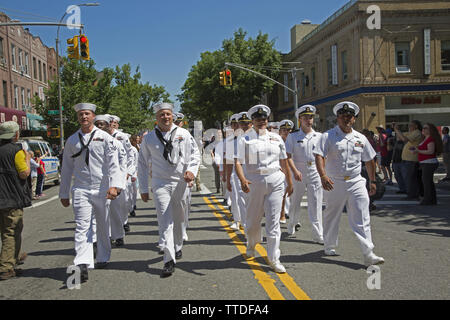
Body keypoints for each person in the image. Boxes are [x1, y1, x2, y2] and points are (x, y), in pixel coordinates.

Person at [314, 101, 384, 267]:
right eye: (343, 116)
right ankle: (329, 244)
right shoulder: (328, 136)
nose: (346, 119)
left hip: (356, 181)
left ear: (354, 119)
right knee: (332, 214)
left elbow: (369, 160)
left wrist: (373, 181)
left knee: (362, 216)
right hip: (334, 181)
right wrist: (323, 175)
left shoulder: (360, 138)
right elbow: (319, 156)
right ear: (338, 118)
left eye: (350, 116)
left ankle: (368, 252)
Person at [59, 103, 123, 282]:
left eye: (86, 114)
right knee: (82, 226)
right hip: (81, 189)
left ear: (93, 116)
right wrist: (64, 193)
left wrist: (115, 186)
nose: (83, 117)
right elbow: (66, 168)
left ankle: (103, 255)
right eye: (80, 115)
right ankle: (82, 263)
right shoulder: (72, 140)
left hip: (102, 189)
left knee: (102, 224)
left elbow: (113, 164)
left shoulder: (105, 138)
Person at [138, 102, 200, 277]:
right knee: (165, 220)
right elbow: (142, 163)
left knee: (179, 219)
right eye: (161, 115)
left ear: (172, 115)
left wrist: (191, 171)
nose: (165, 117)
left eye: (167, 114)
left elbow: (194, 155)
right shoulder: (149, 138)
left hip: (180, 182)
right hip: (160, 183)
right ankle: (168, 259)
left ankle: (177, 245)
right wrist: (143, 188)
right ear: (156, 118)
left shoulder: (183, 134)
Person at [234, 104, 293, 274]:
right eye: (258, 119)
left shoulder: (276, 138)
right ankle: (252, 243)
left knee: (274, 222)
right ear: (252, 121)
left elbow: (284, 161)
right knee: (252, 221)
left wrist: (289, 182)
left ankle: (274, 258)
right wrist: (242, 179)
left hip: (275, 180)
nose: (261, 122)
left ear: (267, 120)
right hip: (254, 180)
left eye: (264, 119)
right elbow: (237, 161)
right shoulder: (244, 139)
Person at [286, 105, 323, 243]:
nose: (309, 120)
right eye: (305, 117)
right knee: (295, 201)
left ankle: (318, 233)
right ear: (300, 119)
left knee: (316, 203)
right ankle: (292, 223)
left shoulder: (319, 136)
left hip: (314, 171)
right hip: (298, 171)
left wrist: (323, 174)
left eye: (311, 117)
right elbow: (288, 156)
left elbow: (322, 156)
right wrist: (294, 171)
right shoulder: (293, 136)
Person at [0, 121, 31, 281]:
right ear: (16, 135)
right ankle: (6, 267)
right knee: (11, 231)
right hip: (11, 197)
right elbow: (24, 173)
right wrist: (27, 159)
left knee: (7, 230)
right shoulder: (17, 152)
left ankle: (15, 256)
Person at [411, 123, 443, 205]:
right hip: (426, 163)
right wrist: (416, 150)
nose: (423, 129)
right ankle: (432, 199)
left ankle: (427, 200)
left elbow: (430, 151)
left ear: (430, 130)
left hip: (429, 163)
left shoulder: (430, 139)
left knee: (426, 182)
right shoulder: (425, 139)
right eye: (423, 128)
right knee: (428, 182)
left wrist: (418, 151)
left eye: (425, 128)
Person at [394, 120, 423, 200]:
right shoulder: (412, 133)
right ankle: (413, 194)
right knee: (409, 178)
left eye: (411, 125)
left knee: (410, 178)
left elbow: (404, 139)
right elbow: (400, 137)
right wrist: (397, 130)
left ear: (416, 126)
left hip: (411, 159)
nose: (409, 127)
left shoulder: (416, 132)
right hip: (408, 159)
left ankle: (412, 195)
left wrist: (396, 130)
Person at [225, 114, 244, 231]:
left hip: (251, 171)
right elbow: (229, 160)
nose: (236, 126)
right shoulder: (230, 140)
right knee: (235, 196)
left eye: (238, 123)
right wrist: (227, 179)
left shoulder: (251, 137)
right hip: (235, 171)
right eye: (233, 124)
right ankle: (237, 220)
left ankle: (250, 223)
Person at [278, 119, 294, 225]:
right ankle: (282, 213)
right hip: (282, 169)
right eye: (284, 130)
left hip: (294, 170)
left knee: (294, 194)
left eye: (288, 130)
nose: (286, 132)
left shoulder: (294, 140)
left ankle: (292, 215)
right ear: (280, 131)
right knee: (283, 193)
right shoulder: (277, 141)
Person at [391, 127, 407, 194]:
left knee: (404, 176)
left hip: (402, 161)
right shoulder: (396, 142)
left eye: (398, 134)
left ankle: (407, 189)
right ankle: (402, 189)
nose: (397, 135)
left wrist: (396, 129)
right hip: (395, 161)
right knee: (397, 176)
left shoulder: (403, 142)